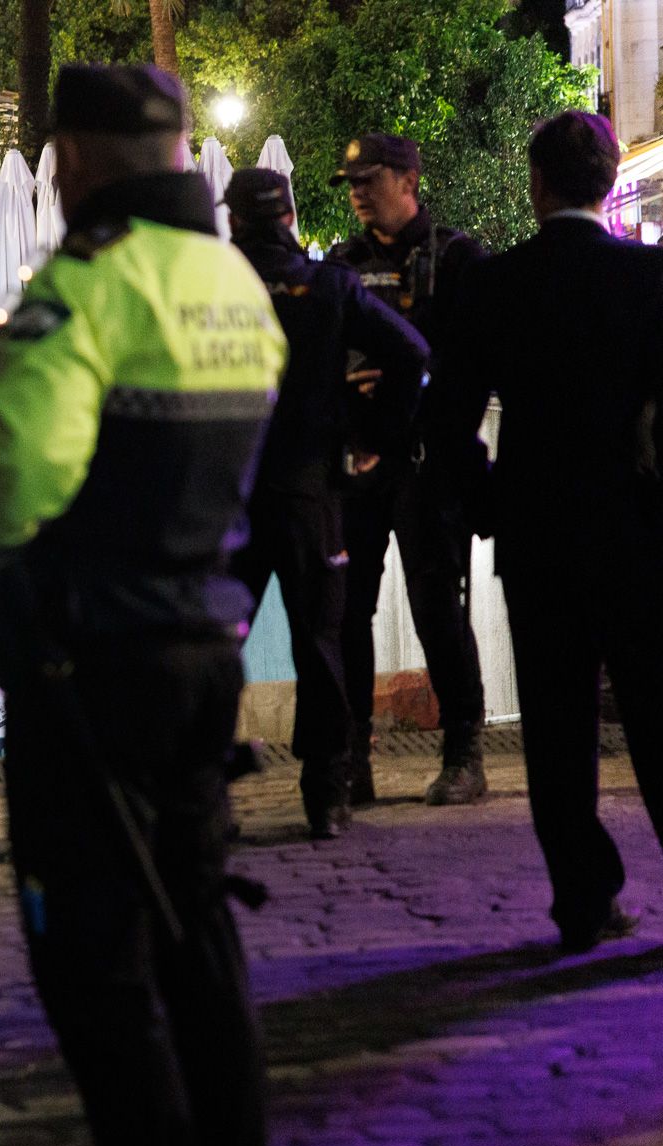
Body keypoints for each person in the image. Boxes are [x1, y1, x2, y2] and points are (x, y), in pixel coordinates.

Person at [0, 65, 285, 1146]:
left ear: (73, 162)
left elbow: (29, 469)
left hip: (89, 661)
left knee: (94, 964)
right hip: (203, 645)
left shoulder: (87, 282)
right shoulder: (232, 282)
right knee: (199, 934)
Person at [446, 111, 663, 952]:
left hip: (538, 534)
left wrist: (487, 505)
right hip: (639, 534)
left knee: (557, 728)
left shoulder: (496, 285)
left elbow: (449, 421)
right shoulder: (649, 278)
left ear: (536, 184)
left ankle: (583, 899)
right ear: (609, 182)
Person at [223, 168, 429, 838]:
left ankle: (205, 791)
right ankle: (327, 792)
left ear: (233, 221)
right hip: (309, 489)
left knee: (214, 644)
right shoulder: (330, 286)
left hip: (228, 493)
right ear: (289, 217)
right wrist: (376, 437)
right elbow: (411, 352)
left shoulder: (210, 286)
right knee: (320, 642)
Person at [328, 133, 490, 808]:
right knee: (347, 612)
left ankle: (464, 752)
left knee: (435, 609)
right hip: (362, 461)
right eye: (352, 183)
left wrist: (416, 392)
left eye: (370, 180)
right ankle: (352, 757)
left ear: (408, 180)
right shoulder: (343, 264)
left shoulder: (457, 259)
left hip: (429, 463)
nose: (359, 194)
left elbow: (477, 362)